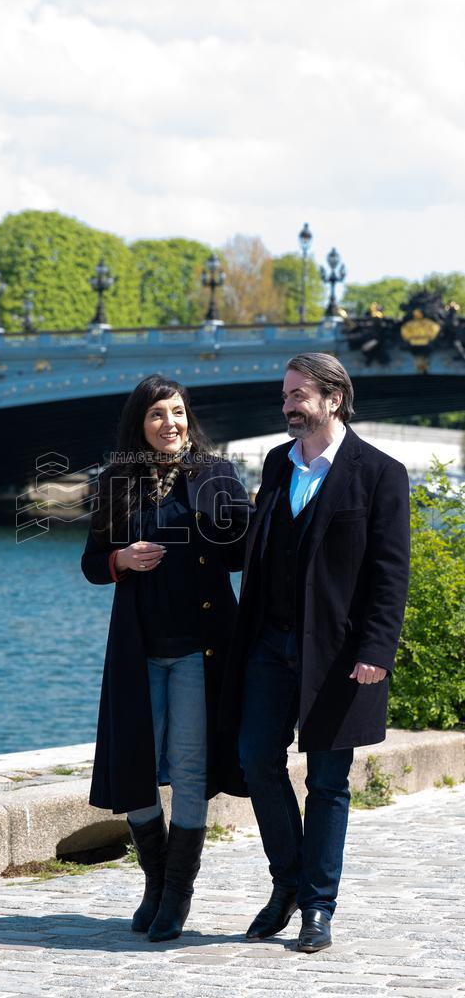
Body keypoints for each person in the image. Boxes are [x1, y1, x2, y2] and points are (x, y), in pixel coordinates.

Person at [220, 352, 410, 953]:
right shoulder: (279, 464)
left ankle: (318, 908)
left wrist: (376, 647)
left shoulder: (379, 472)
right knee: (255, 760)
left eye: (298, 395)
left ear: (334, 398)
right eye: (285, 396)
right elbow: (260, 547)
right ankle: (288, 883)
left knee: (329, 781)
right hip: (269, 643)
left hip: (340, 652)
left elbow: (389, 573)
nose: (288, 406)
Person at [82, 375, 249, 942]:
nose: (170, 423)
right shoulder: (115, 481)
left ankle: (179, 893)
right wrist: (122, 558)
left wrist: (217, 517)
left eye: (177, 412)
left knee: (192, 770)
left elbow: (239, 558)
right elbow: (91, 563)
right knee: (135, 771)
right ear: (140, 423)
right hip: (139, 649)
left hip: (200, 651)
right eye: (157, 415)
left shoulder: (218, 475)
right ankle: (154, 883)